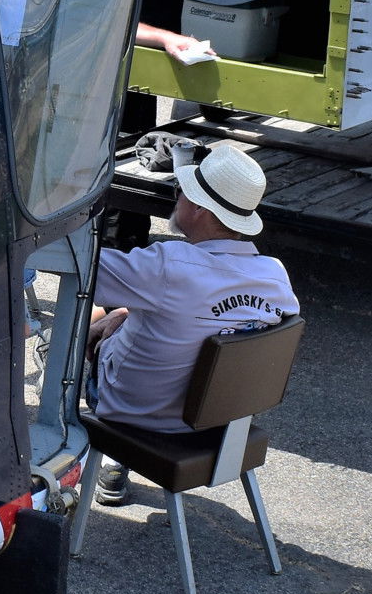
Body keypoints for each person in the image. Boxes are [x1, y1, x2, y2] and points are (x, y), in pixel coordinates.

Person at [86, 141, 297, 506]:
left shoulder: (167, 266)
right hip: (222, 421)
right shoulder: (274, 277)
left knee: (82, 321)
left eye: (181, 192)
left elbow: (78, 266)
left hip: (137, 416)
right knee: (120, 314)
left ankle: (83, 453)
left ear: (198, 207)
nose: (176, 199)